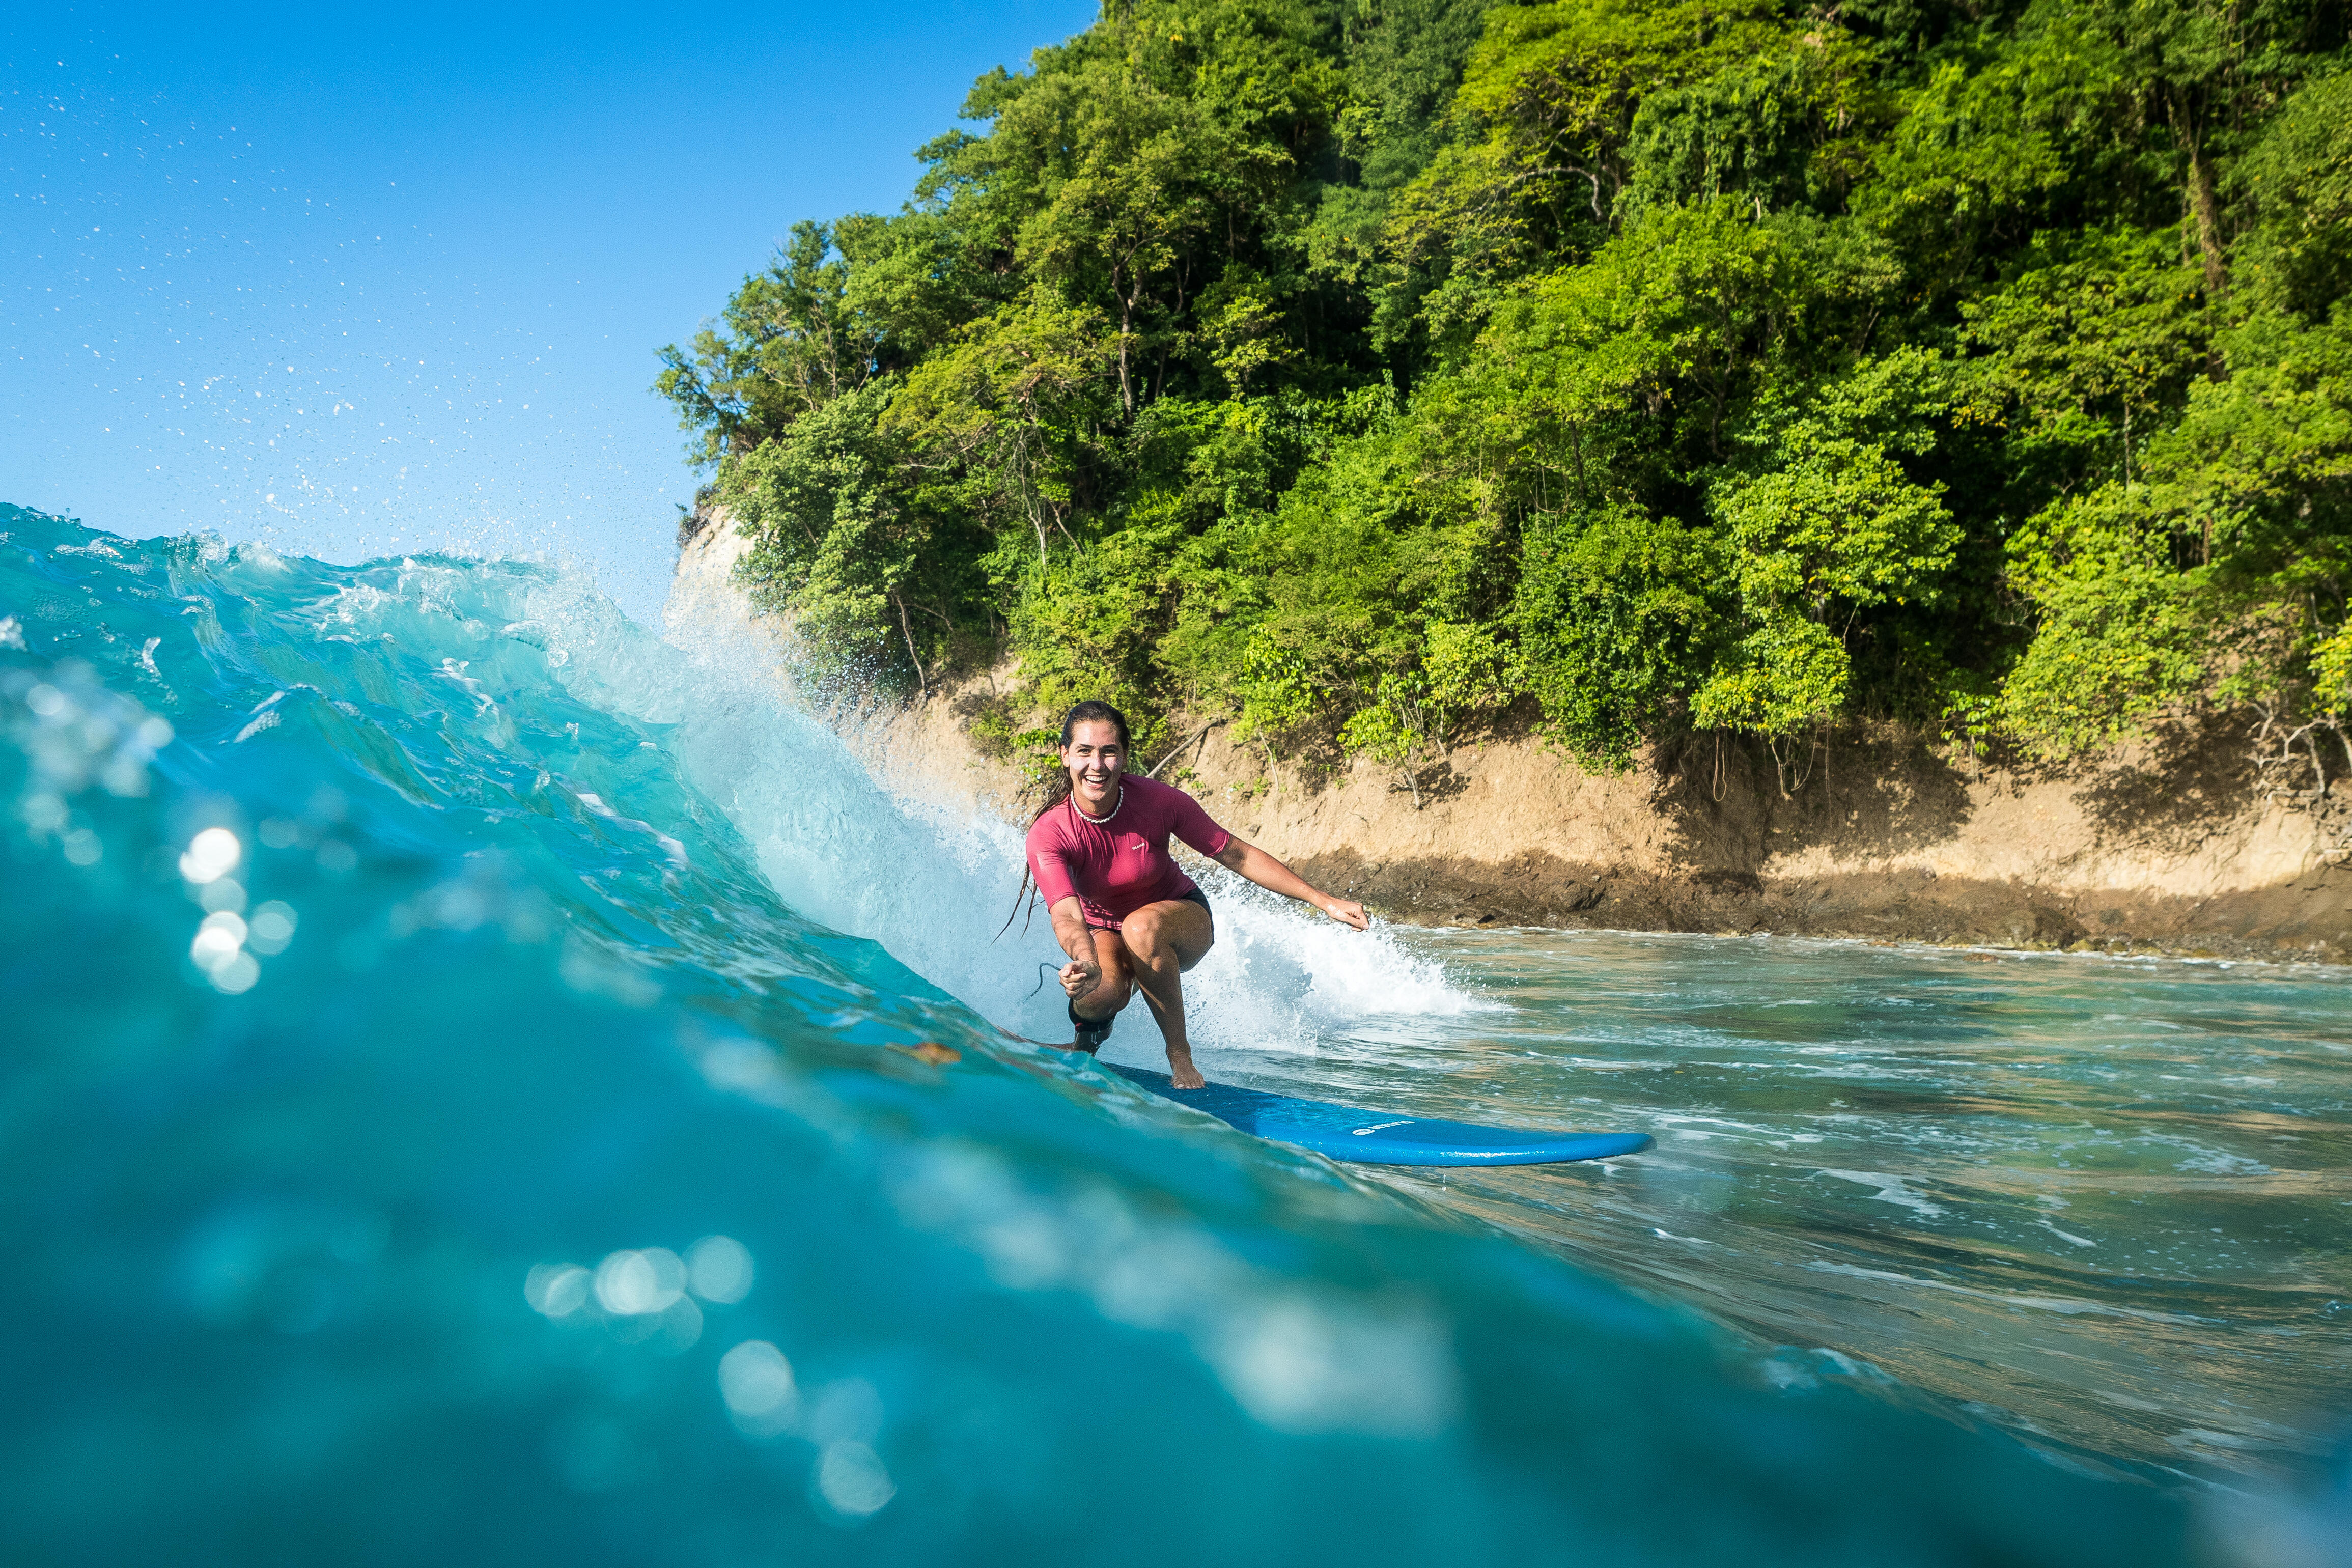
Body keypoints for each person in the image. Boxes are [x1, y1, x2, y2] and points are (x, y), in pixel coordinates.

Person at [1014, 699, 1368, 1089]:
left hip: (1181, 919)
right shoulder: (1050, 832)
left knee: (1141, 928)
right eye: (1084, 751)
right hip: (1104, 933)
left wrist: (1323, 900)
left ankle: (1180, 1056)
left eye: (1109, 752)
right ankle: (1083, 1047)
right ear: (1065, 755)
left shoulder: (1159, 802)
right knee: (1099, 992)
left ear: (1124, 756)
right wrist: (1087, 961)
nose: (1096, 765)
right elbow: (1067, 915)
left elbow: (1237, 854)